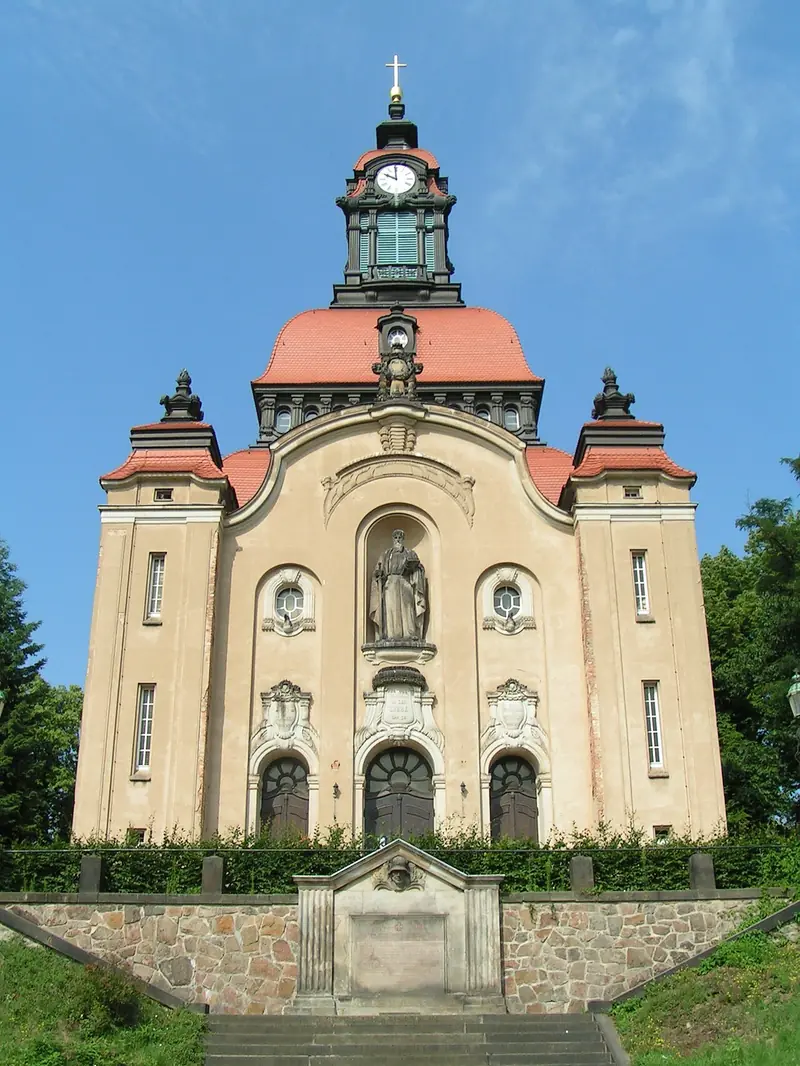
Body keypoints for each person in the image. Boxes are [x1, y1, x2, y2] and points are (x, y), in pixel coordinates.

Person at [369, 529, 427, 641]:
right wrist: (378, 574)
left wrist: (416, 568)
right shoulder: (386, 554)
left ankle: (409, 634)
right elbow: (377, 570)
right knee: (391, 608)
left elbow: (419, 568)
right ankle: (391, 635)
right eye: (395, 537)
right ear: (393, 539)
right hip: (390, 583)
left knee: (407, 608)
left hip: (405, 581)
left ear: (403, 539)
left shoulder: (410, 553)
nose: (398, 539)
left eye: (400, 537)